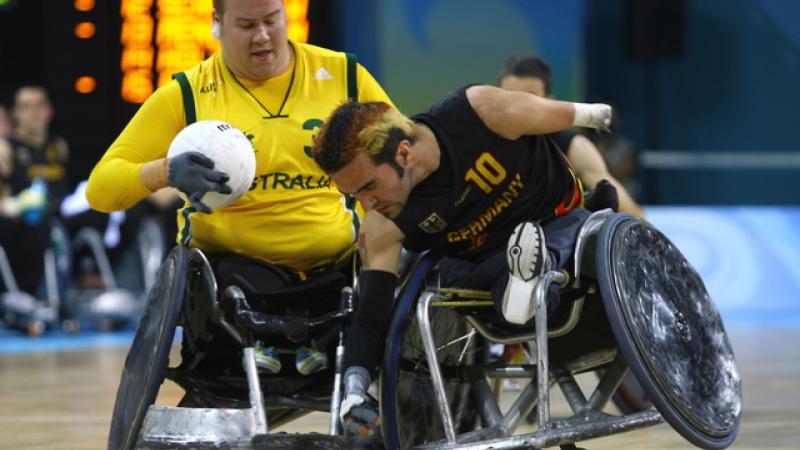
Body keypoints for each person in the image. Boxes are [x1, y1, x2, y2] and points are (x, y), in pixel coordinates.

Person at [86, 0, 393, 376]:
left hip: (340, 271)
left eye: (271, 20)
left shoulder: (344, 75)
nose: (262, 36)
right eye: (247, 25)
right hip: (235, 280)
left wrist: (381, 214)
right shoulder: (188, 93)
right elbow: (100, 190)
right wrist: (164, 171)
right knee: (233, 278)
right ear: (217, 23)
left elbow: (402, 154)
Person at [312, 85, 611, 435]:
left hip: (555, 222)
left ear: (404, 153)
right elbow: (372, 313)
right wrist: (354, 389)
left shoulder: (479, 114)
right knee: (448, 275)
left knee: (567, 232)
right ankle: (519, 286)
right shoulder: (383, 225)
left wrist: (595, 114)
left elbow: (560, 114)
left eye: (369, 186)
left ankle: (526, 279)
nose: (366, 204)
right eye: (354, 195)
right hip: (480, 272)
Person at [500, 56, 644, 217]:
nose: (520, 107)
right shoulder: (477, 138)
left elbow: (633, 213)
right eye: (510, 98)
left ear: (550, 102)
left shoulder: (573, 148)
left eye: (531, 98)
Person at [0, 86, 69, 297]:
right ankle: (26, 294)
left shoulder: (58, 147)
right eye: (26, 106)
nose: (34, 112)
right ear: (16, 114)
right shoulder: (5, 148)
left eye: (40, 106)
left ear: (50, 111)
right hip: (21, 224)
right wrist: (14, 205)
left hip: (59, 215)